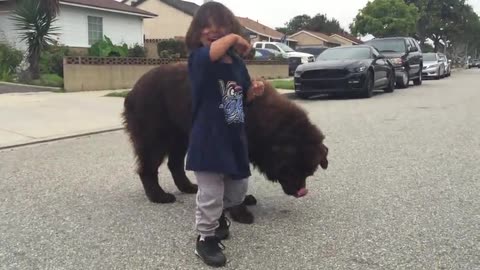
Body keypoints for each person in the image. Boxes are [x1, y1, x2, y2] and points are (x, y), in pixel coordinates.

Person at [184, 1, 265, 267]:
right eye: (206, 26)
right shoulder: (199, 58)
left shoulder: (237, 64)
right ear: (196, 33)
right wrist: (232, 36)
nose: (213, 30)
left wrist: (252, 92)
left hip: (232, 137)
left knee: (237, 192)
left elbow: (235, 102)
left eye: (220, 25)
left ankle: (219, 216)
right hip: (207, 138)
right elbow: (213, 53)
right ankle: (205, 239)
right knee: (209, 193)